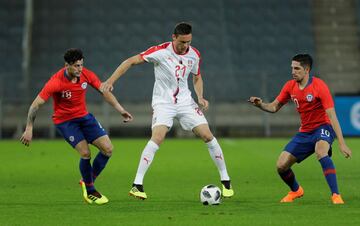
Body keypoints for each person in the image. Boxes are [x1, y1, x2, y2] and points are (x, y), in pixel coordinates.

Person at [101, 22, 234, 200]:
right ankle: (137, 185)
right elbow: (130, 61)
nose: (185, 46)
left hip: (186, 102)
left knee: (208, 136)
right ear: (173, 37)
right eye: (182, 42)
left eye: (188, 42)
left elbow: (197, 77)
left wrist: (200, 96)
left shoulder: (194, 54)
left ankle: (226, 181)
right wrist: (111, 80)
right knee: (158, 137)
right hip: (163, 103)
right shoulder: (161, 51)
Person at [20, 48, 133, 205]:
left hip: (84, 118)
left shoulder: (86, 74)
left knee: (108, 149)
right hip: (65, 122)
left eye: (81, 65)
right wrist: (29, 128)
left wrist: (121, 110)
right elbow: (35, 105)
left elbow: (104, 91)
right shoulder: (56, 82)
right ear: (67, 65)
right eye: (76, 66)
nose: (80, 69)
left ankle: (87, 180)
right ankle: (90, 190)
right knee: (85, 153)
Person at [248, 54, 352, 204]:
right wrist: (260, 104)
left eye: (297, 68)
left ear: (307, 69)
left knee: (321, 151)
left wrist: (342, 143)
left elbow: (332, 116)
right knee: (281, 165)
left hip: (323, 127)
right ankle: (296, 190)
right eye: (292, 68)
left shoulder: (319, 86)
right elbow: (273, 107)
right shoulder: (290, 86)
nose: (293, 71)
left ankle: (336, 195)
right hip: (305, 132)